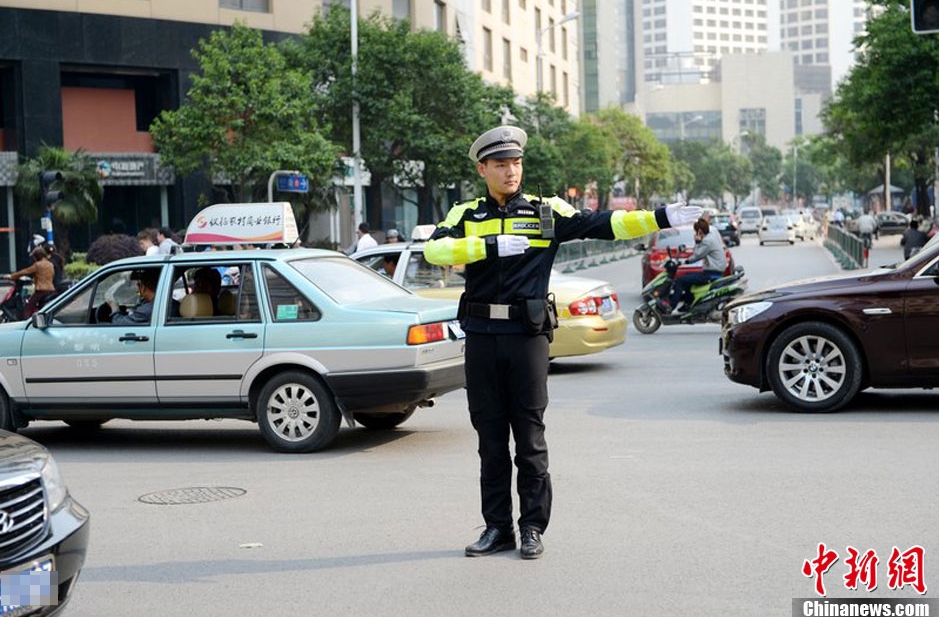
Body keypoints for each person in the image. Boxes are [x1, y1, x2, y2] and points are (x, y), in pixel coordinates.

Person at [424, 125, 700, 560]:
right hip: (481, 338)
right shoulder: (464, 214)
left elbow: (604, 223)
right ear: (483, 169)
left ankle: (532, 527)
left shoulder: (544, 211)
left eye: (515, 163)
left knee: (530, 438)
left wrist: (661, 217)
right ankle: (497, 528)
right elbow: (435, 252)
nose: (511, 171)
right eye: (500, 164)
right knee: (490, 441)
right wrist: (490, 245)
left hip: (526, 338)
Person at [668, 218, 727, 313]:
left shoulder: (707, 241)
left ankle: (671, 306)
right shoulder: (711, 236)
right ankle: (688, 304)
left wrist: (685, 261)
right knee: (687, 278)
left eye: (695, 231)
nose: (694, 234)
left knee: (680, 281)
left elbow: (697, 255)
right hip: (713, 271)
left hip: (711, 274)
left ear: (699, 231)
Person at [10, 246, 55, 319]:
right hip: (50, 289)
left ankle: (25, 323)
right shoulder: (50, 264)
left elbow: (26, 271)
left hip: (41, 290)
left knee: (28, 308)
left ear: (37, 256)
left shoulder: (38, 265)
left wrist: (12, 276)